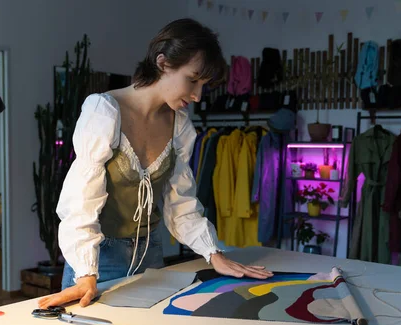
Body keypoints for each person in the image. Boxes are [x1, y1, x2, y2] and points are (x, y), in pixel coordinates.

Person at [38, 18, 273, 309]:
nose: (198, 95)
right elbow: (81, 201)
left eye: (204, 85)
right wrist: (86, 272)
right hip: (99, 260)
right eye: (192, 79)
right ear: (163, 63)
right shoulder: (104, 111)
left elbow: (180, 203)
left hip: (151, 256)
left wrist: (213, 253)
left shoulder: (180, 125)